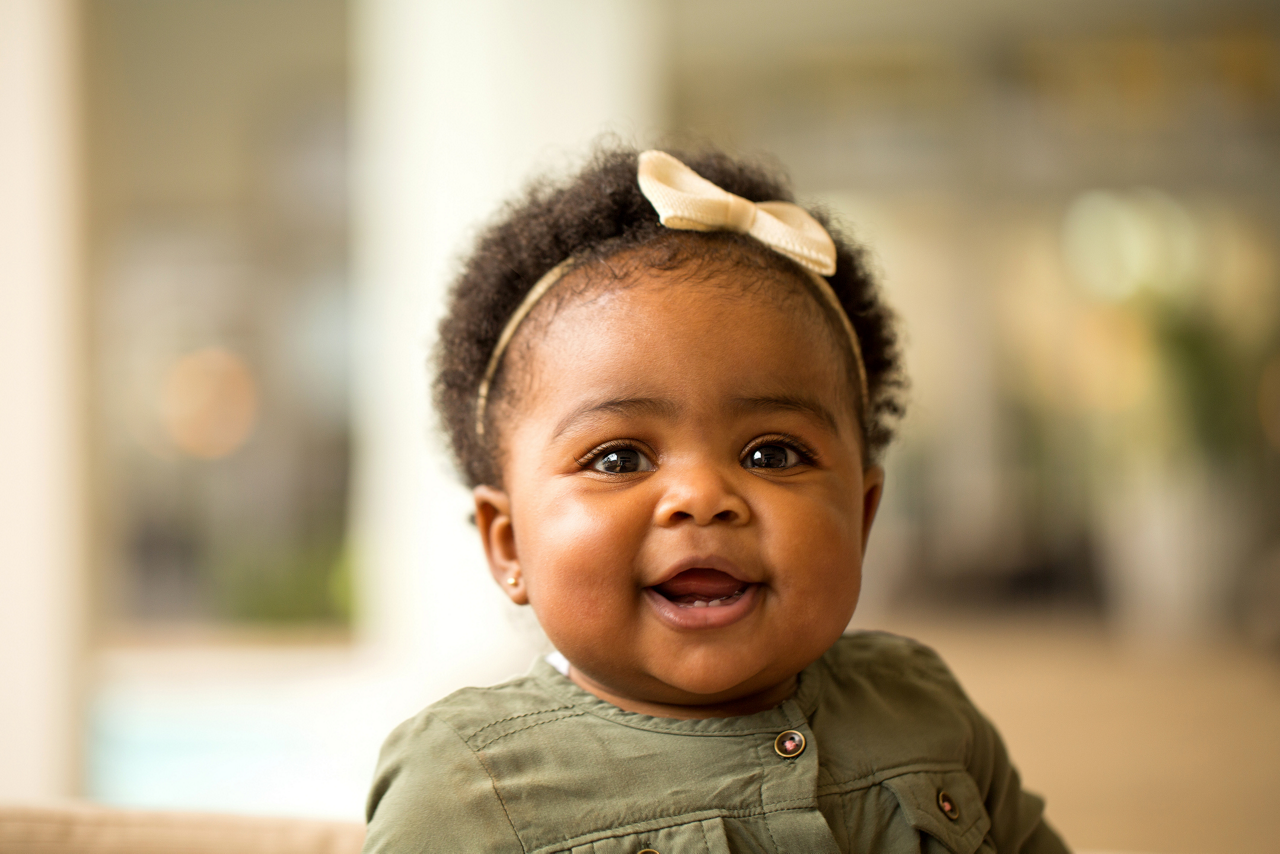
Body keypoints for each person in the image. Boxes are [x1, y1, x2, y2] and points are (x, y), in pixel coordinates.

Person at [361, 147, 1070, 853]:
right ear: (508, 543)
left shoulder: (922, 705)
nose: (703, 497)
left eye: (773, 454)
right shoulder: (468, 790)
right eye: (618, 458)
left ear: (861, 515)